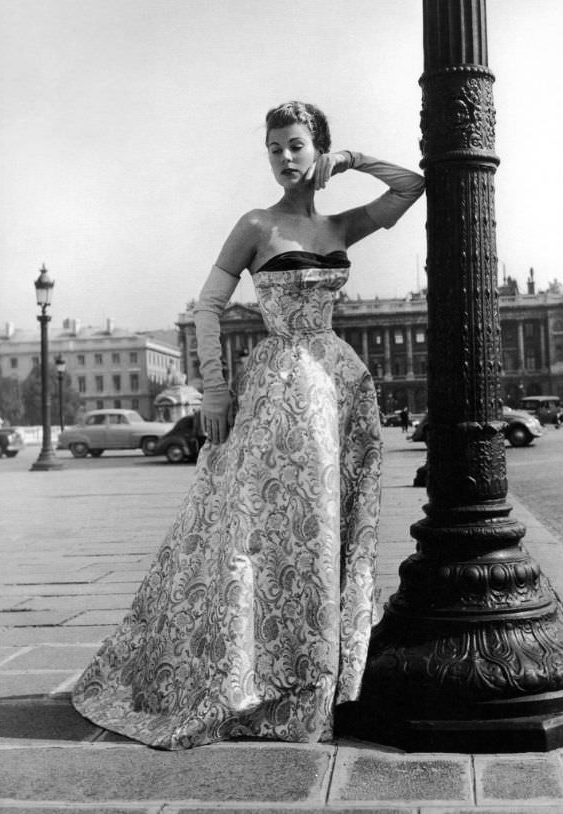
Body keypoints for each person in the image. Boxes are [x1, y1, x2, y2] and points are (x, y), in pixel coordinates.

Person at [72, 100, 424, 749]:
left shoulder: (343, 222)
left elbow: (412, 185)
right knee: (263, 535)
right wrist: (213, 386)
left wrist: (352, 160)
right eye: (274, 148)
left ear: (318, 148)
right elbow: (209, 303)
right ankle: (257, 674)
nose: (285, 158)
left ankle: (315, 675)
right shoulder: (257, 223)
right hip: (281, 389)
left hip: (339, 390)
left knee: (328, 528)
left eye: (296, 145)